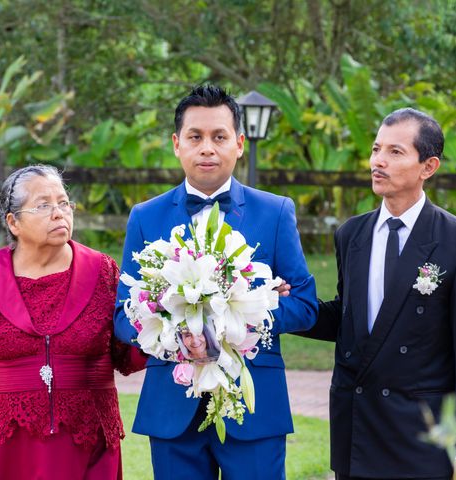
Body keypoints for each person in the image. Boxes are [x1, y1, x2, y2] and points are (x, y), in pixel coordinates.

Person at [114, 85, 317, 479]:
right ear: (177, 144)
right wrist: (175, 332)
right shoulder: (145, 216)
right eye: (195, 137)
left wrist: (248, 309)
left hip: (255, 407)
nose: (207, 148)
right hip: (172, 406)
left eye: (219, 137)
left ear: (239, 143)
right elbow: (124, 317)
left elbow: (305, 305)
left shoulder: (275, 213)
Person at [300, 108, 456, 479]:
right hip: (356, 425)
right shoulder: (351, 235)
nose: (377, 162)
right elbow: (351, 320)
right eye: (376, 149)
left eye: (395, 152)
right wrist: (282, 307)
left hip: (421, 436)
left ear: (428, 167)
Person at [0, 165, 146, 480]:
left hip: (88, 443)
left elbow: (125, 355)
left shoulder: (103, 272)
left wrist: (169, 332)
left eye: (64, 203)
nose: (59, 213)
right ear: (13, 222)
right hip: (3, 448)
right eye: (43, 205)